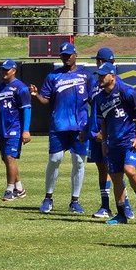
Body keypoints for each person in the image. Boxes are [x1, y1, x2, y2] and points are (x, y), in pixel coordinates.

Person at [29, 42, 90, 214]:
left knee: (78, 162)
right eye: (63, 55)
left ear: (75, 54)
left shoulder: (86, 76)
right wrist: (36, 96)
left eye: (69, 54)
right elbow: (46, 100)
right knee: (55, 160)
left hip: (80, 126)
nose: (67, 57)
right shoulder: (53, 77)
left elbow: (93, 99)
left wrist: (94, 124)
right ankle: (48, 198)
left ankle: (75, 201)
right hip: (59, 125)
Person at [92, 62, 136, 224]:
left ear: (113, 76)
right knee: (117, 178)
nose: (100, 78)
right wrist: (104, 141)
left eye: (103, 75)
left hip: (130, 140)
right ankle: (121, 214)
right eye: (99, 75)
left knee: (129, 170)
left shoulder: (126, 91)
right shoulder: (100, 98)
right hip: (113, 143)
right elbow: (104, 122)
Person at [0, 59, 31, 202]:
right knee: (6, 159)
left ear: (14, 70)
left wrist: (26, 130)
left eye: (7, 69)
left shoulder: (20, 88)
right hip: (2, 128)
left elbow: (27, 109)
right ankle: (20, 188)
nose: (4, 72)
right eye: (2, 69)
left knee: (10, 158)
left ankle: (10, 190)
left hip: (15, 128)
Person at [88, 46, 118, 219]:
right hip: (95, 130)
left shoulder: (115, 83)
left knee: (115, 169)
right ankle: (105, 205)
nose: (97, 63)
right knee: (101, 167)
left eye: (99, 60)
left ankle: (125, 206)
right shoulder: (96, 82)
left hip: (110, 131)